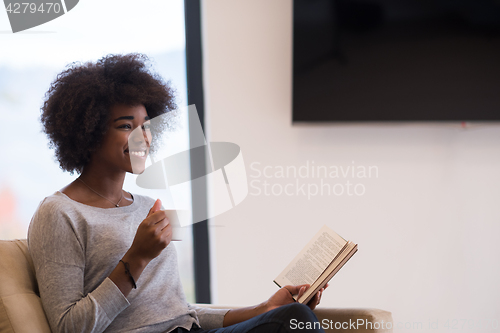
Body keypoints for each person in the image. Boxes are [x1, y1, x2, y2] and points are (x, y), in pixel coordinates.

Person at [28, 53, 327, 333]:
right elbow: (68, 326)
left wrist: (266, 308)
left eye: (146, 126)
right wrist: (136, 258)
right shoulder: (59, 213)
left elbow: (178, 313)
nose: (142, 138)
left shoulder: (146, 207)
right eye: (125, 126)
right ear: (88, 131)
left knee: (292, 316)